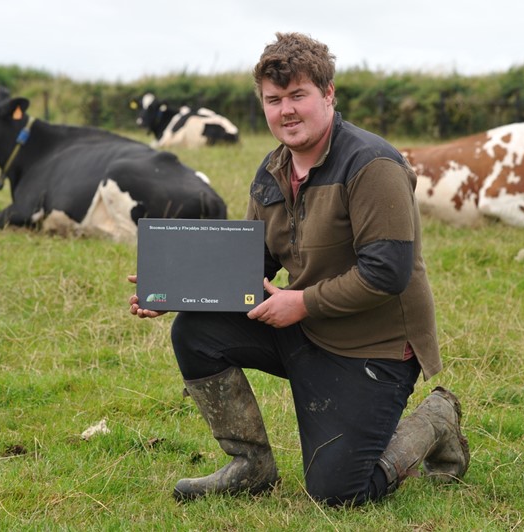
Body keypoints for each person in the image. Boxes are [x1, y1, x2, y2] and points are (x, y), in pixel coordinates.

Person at [128, 32, 469, 506]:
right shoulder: (272, 170)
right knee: (195, 331)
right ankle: (250, 465)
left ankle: (435, 420)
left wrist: (302, 302)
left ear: (328, 95)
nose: (285, 110)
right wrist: (171, 291)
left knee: (338, 493)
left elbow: (387, 272)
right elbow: (252, 265)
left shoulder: (372, 165)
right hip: (307, 327)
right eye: (273, 99)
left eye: (297, 95)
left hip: (375, 348)